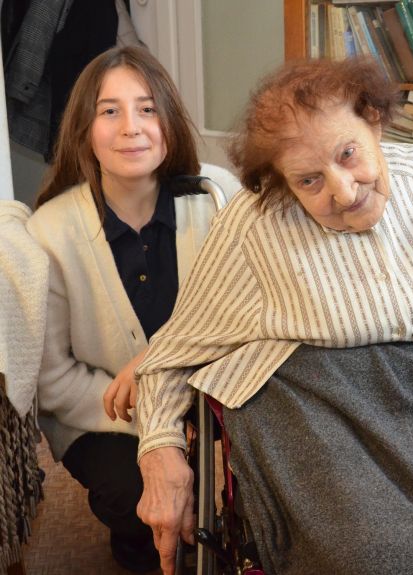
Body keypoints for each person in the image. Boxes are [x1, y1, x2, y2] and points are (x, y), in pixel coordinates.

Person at [134, 57, 413, 575]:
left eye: (348, 154)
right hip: (303, 402)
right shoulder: (256, 221)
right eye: (308, 180)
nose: (342, 191)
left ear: (374, 120)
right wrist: (161, 453)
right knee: (362, 559)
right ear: (282, 182)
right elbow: (170, 357)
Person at [26, 45, 226, 573]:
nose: (131, 127)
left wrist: (163, 373)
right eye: (109, 111)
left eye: (147, 108)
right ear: (84, 130)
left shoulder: (216, 197)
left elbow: (247, 318)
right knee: (135, 499)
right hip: (101, 417)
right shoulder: (50, 232)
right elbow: (54, 380)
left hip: (210, 400)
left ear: (169, 120)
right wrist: (155, 424)